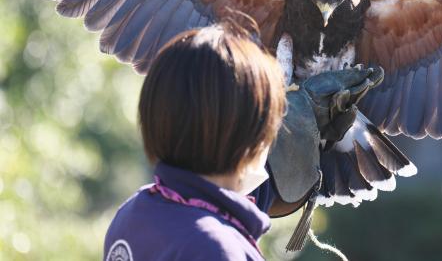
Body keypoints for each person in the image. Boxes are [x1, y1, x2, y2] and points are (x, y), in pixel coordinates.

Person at [103, 18, 382, 260]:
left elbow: (218, 195)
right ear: (253, 140)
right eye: (273, 119)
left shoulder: (136, 212)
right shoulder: (217, 248)